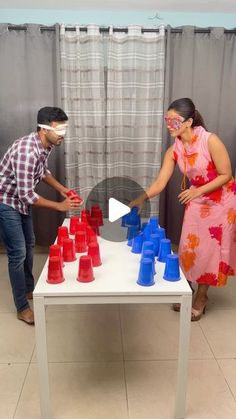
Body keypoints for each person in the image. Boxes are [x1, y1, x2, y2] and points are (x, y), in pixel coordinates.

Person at [130, 98, 236, 321]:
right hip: (197, 198)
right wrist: (139, 199)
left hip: (222, 201)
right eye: (167, 119)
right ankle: (186, 289)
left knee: (209, 250)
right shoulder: (174, 149)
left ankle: (202, 296)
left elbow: (226, 174)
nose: (169, 124)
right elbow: (160, 183)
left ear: (188, 121)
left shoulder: (210, 140)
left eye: (174, 120)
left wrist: (198, 191)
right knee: (189, 246)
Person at [0, 106, 82, 325]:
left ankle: (28, 288)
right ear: (44, 129)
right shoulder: (27, 151)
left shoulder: (45, 145)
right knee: (18, 253)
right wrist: (60, 206)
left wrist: (63, 190)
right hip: (6, 202)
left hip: (20, 200)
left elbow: (43, 172)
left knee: (29, 245)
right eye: (59, 129)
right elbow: (26, 195)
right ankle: (22, 307)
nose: (63, 134)